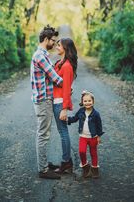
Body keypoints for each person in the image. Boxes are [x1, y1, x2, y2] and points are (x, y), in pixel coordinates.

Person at [31, 25, 63, 179]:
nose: (54, 44)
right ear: (46, 39)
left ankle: (44, 164)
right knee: (43, 134)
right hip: (43, 100)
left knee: (44, 133)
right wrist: (67, 85)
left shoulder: (43, 54)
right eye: (53, 41)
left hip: (44, 99)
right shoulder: (40, 56)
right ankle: (43, 170)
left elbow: (52, 77)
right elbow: (55, 77)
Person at [53, 38, 78, 173]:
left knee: (63, 133)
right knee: (62, 132)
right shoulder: (59, 63)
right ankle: (67, 161)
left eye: (59, 45)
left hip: (59, 104)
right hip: (55, 102)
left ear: (65, 48)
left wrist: (64, 109)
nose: (57, 47)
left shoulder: (67, 66)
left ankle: (66, 162)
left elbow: (67, 89)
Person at [67, 91, 104, 178]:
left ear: (93, 102)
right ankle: (85, 167)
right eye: (85, 101)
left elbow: (99, 126)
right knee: (81, 151)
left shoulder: (96, 114)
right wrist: (67, 120)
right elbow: (75, 119)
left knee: (93, 153)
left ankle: (95, 169)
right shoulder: (80, 111)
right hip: (83, 137)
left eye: (89, 101)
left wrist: (99, 136)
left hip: (93, 137)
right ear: (82, 102)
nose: (87, 103)